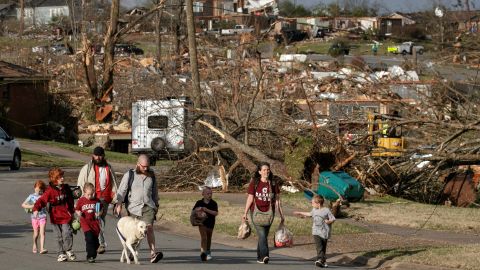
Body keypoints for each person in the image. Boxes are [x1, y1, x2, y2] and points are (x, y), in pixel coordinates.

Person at [114, 154, 163, 263]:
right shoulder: (130, 174)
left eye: (147, 166)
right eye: (143, 166)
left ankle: (153, 254)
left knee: (149, 228)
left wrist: (156, 205)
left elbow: (155, 193)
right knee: (134, 231)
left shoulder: (152, 176)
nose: (145, 169)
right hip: (133, 208)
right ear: (138, 164)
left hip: (148, 207)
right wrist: (119, 204)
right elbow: (122, 191)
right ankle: (131, 252)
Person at [77, 146, 118, 254]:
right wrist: (80, 200)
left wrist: (116, 199)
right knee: (97, 219)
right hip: (92, 199)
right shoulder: (87, 168)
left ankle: (98, 242)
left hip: (104, 199)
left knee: (100, 219)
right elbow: (81, 184)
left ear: (103, 156)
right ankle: (101, 243)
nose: (98, 157)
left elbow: (114, 183)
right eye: (96, 155)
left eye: (100, 155)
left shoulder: (108, 167)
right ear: (93, 155)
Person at [242, 162, 285, 264]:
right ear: (260, 171)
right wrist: (245, 212)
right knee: (261, 234)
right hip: (256, 212)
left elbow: (278, 200)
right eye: (264, 170)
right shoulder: (255, 182)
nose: (266, 172)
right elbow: (250, 197)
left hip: (269, 213)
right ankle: (265, 255)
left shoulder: (273, 183)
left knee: (263, 236)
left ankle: (259, 257)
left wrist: (282, 214)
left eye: (268, 170)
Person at [33, 168, 76, 262]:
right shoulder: (49, 190)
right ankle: (61, 253)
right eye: (60, 177)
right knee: (58, 236)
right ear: (55, 179)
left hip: (65, 214)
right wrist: (36, 209)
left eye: (62, 176)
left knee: (67, 232)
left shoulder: (66, 188)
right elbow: (42, 200)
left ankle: (68, 249)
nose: (63, 178)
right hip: (55, 216)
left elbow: (70, 201)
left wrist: (72, 213)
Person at [293, 194, 336, 268]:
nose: (311, 204)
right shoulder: (314, 210)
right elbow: (309, 214)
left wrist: (329, 222)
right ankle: (320, 260)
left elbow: (333, 218)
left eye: (312, 203)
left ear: (318, 204)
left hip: (324, 232)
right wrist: (300, 213)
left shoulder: (326, 210)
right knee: (319, 247)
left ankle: (323, 261)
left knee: (323, 248)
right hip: (316, 231)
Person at [75, 182, 102, 263]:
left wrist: (99, 213)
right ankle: (90, 256)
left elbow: (101, 209)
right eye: (88, 194)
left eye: (92, 194)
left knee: (94, 240)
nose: (90, 196)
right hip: (85, 223)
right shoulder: (81, 200)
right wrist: (78, 212)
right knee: (89, 238)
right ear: (84, 193)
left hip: (95, 223)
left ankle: (94, 252)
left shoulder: (96, 200)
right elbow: (76, 209)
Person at [22, 180, 48, 254]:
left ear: (42, 189)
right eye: (36, 188)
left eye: (39, 189)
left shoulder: (44, 196)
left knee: (42, 233)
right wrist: (32, 206)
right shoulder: (31, 196)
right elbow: (23, 204)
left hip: (43, 216)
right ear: (34, 188)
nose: (37, 190)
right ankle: (34, 244)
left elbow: (47, 205)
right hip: (34, 217)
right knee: (36, 233)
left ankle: (42, 248)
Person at [192, 186, 218, 261]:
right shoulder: (199, 202)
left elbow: (215, 213)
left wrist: (206, 210)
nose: (209, 195)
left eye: (211, 193)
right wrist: (198, 210)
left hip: (211, 223)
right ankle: (203, 253)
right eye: (208, 193)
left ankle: (208, 252)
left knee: (209, 238)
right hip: (201, 223)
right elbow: (193, 211)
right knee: (204, 237)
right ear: (203, 194)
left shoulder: (213, 203)